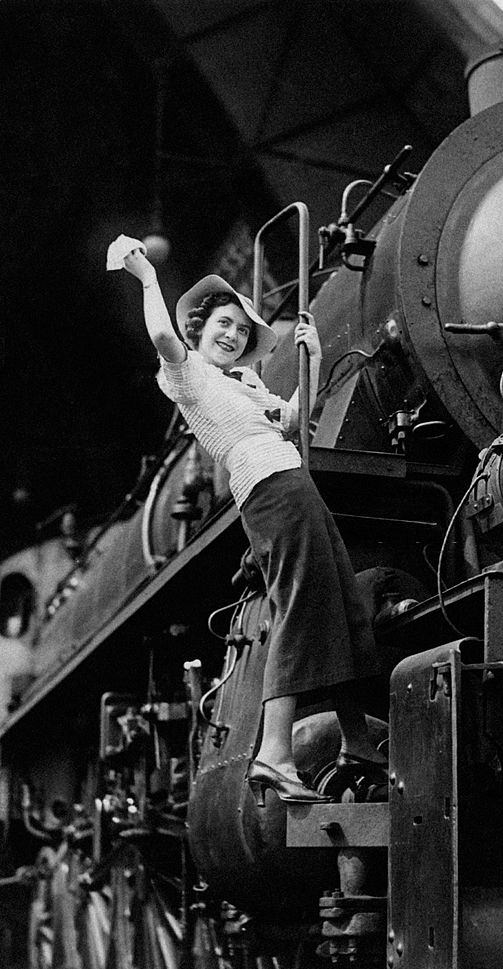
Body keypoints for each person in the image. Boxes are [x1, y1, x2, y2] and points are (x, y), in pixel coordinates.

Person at [121, 246, 386, 803]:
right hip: (271, 491)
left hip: (293, 483)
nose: (233, 336)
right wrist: (147, 276)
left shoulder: (246, 386)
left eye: (242, 330)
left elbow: (295, 422)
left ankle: (357, 739)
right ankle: (274, 753)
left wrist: (310, 359)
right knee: (298, 606)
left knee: (340, 599)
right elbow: (163, 338)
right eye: (223, 324)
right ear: (200, 329)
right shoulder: (190, 376)